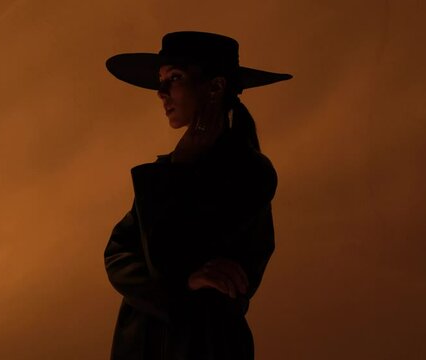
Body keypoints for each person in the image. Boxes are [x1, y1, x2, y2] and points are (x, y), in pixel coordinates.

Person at [103, 31, 292, 360]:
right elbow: (118, 254)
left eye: (174, 77)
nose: (161, 93)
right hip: (140, 346)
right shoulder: (162, 174)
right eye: (161, 80)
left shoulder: (249, 174)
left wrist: (176, 284)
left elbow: (172, 258)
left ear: (215, 87)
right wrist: (182, 284)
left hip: (205, 346)